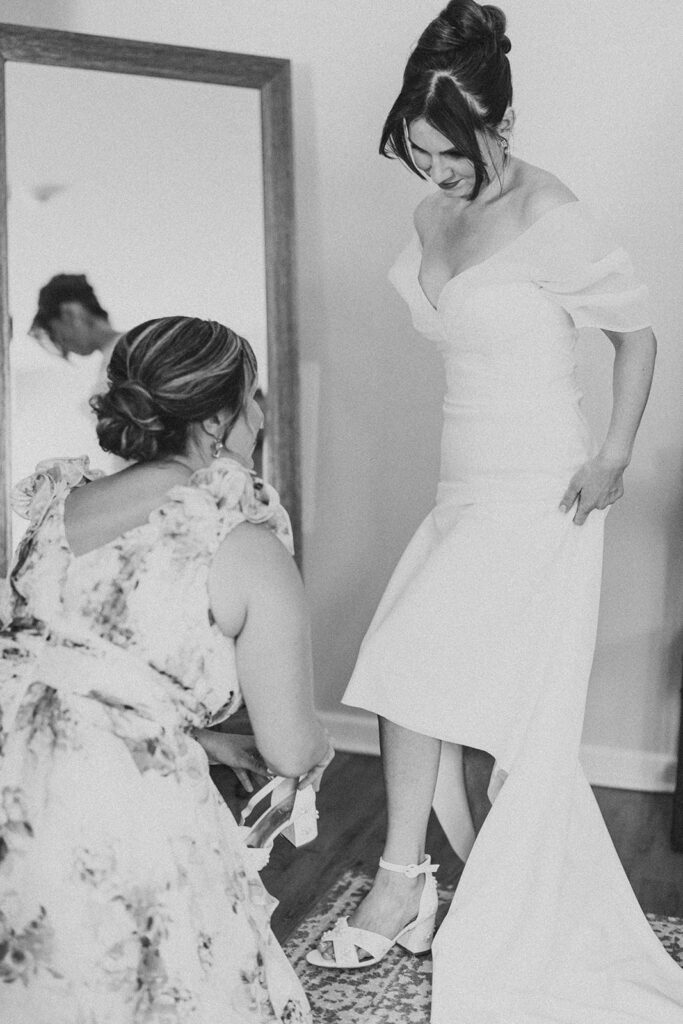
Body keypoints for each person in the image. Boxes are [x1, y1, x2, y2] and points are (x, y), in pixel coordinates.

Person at [310, 1, 683, 1020]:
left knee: (405, 662)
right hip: (459, 481)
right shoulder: (431, 212)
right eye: (417, 153)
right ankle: (415, 880)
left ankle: (399, 882)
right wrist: (434, 190)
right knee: (414, 672)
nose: (432, 174)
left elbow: (635, 334)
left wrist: (611, 453)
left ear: (498, 129)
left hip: (538, 488)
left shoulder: (549, 212)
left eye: (449, 154)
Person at [0, 315, 333, 1023]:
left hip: (13, 783)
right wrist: (316, 755)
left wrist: (199, 739)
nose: (258, 416)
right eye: (253, 400)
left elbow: (72, 668)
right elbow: (289, 747)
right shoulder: (242, 544)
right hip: (116, 816)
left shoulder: (61, 507)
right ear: (218, 419)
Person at [30, 273, 122, 394]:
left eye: (62, 337)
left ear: (72, 313)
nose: (66, 347)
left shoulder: (127, 352)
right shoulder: (115, 356)